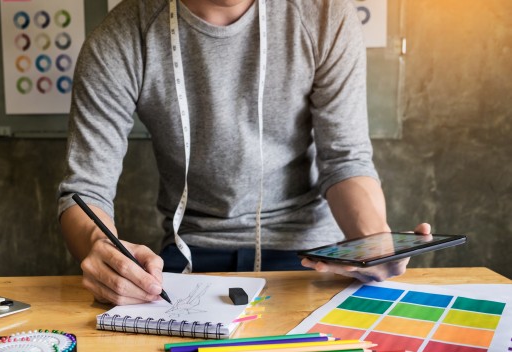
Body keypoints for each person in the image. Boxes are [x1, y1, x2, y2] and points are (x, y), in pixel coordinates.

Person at [57, 0, 430, 305]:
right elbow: (85, 190)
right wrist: (100, 247)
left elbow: (345, 159)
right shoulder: (122, 37)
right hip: (192, 254)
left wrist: (372, 242)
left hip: (313, 253)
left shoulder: (325, 13)